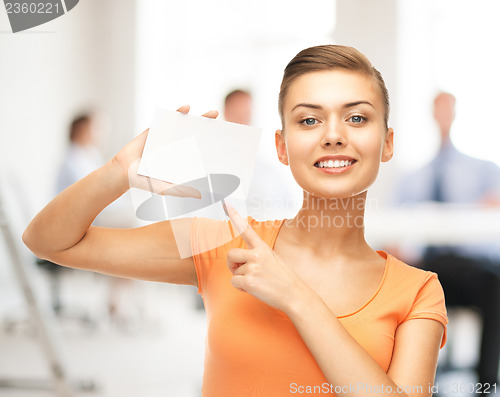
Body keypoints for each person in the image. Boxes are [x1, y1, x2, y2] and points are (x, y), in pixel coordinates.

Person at [23, 45, 448, 396]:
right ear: (282, 147)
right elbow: (50, 241)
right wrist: (117, 171)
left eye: (357, 117)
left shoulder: (417, 293)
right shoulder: (228, 246)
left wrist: (297, 298)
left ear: (387, 142)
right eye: (309, 119)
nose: (333, 134)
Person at [394, 92, 500, 386]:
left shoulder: (484, 170)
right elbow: (394, 228)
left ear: (454, 113)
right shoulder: (412, 178)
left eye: (447, 109)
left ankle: (487, 382)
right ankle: (418, 379)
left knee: (495, 283)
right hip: (428, 265)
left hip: (473, 265)